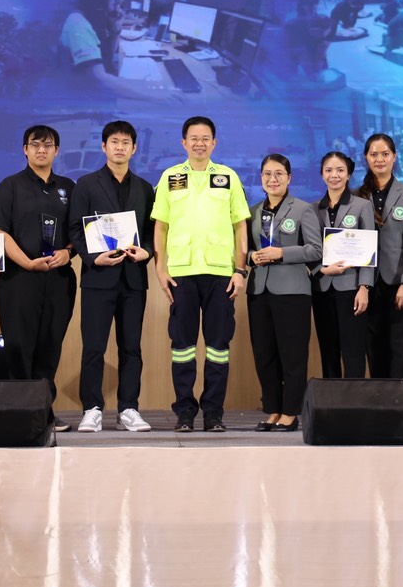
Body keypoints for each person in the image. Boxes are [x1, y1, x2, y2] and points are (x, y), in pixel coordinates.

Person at [152, 116, 251, 432]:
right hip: (181, 273)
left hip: (220, 273)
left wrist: (240, 270)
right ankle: (184, 412)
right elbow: (161, 226)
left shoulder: (228, 177)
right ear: (184, 142)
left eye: (205, 138)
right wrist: (160, 268)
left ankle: (213, 413)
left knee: (218, 348)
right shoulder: (170, 177)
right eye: (193, 138)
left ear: (214, 143)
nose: (199, 143)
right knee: (182, 347)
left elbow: (240, 226)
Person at [67, 121, 155, 434]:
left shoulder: (145, 188)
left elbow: (152, 231)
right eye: (114, 142)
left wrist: (147, 251)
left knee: (131, 347)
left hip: (133, 279)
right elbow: (75, 228)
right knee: (94, 347)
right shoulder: (86, 184)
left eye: (125, 142)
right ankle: (91, 408)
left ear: (134, 148)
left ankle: (129, 408)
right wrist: (93, 258)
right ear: (103, 146)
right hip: (98, 278)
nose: (120, 147)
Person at [0, 124, 77, 429]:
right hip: (19, 279)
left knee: (50, 345)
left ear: (56, 150)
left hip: (58, 279)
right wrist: (27, 263)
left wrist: (68, 251)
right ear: (25, 150)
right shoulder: (10, 186)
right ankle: (20, 412)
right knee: (19, 345)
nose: (41, 150)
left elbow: (79, 232)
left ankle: (43, 411)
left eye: (47, 145)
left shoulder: (68, 187)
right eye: (35, 145)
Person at [247, 154, 323, 432]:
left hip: (293, 291)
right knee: (264, 354)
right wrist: (252, 256)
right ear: (261, 178)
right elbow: (244, 250)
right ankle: (273, 409)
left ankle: (291, 412)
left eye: (279, 173)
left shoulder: (303, 209)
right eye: (267, 174)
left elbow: (316, 250)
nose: (273, 179)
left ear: (289, 178)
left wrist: (281, 253)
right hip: (259, 290)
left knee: (292, 355)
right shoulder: (253, 211)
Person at [357, 134, 403, 379]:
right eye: (374, 154)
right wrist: (362, 285)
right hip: (367, 285)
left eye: (385, 154)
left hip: (400, 284)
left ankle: (400, 401)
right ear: (366, 158)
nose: (380, 159)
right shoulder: (357, 196)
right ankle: (379, 400)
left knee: (401, 351)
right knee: (374, 350)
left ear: (394, 157)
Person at [312, 151, 374, 379]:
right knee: (328, 351)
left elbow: (370, 249)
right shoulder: (313, 209)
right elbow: (310, 248)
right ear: (322, 174)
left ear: (348, 175)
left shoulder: (362, 206)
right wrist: (320, 270)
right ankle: (331, 399)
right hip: (322, 288)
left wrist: (364, 287)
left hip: (352, 288)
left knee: (353, 351)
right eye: (328, 170)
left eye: (340, 170)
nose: (334, 175)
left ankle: (354, 399)